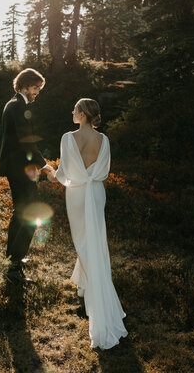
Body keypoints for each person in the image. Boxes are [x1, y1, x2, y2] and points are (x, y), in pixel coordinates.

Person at [47, 98, 128, 350]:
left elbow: (64, 174)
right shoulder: (105, 141)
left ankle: (98, 300)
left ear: (81, 114)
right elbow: (102, 174)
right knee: (93, 240)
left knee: (83, 242)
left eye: (74, 109)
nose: (72, 111)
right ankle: (85, 289)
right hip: (96, 193)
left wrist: (51, 172)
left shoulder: (68, 138)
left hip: (79, 195)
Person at [0, 68, 55, 283]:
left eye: (39, 89)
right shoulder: (17, 107)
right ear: (23, 85)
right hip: (20, 169)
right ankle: (13, 268)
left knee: (21, 215)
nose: (37, 92)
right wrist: (45, 165)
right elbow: (27, 141)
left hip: (17, 168)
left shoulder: (14, 104)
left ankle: (13, 261)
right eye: (35, 88)